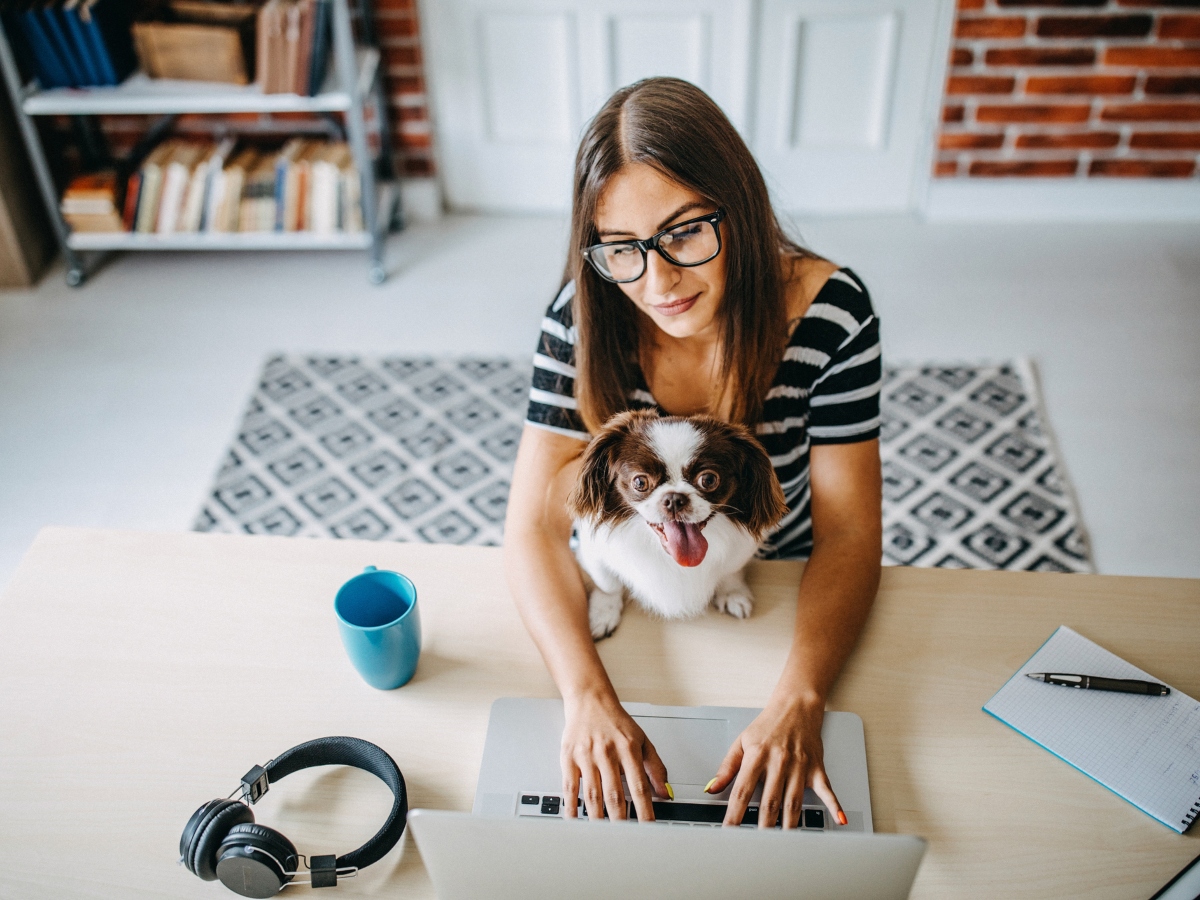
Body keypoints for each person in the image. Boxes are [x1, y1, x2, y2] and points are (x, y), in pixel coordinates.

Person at [503, 77, 882, 831]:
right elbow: (534, 530)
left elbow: (849, 532)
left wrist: (800, 699)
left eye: (683, 232)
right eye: (622, 250)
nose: (658, 281)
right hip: (627, 583)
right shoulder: (582, 317)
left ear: (738, 205)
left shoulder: (832, 314)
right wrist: (585, 697)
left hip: (774, 577)